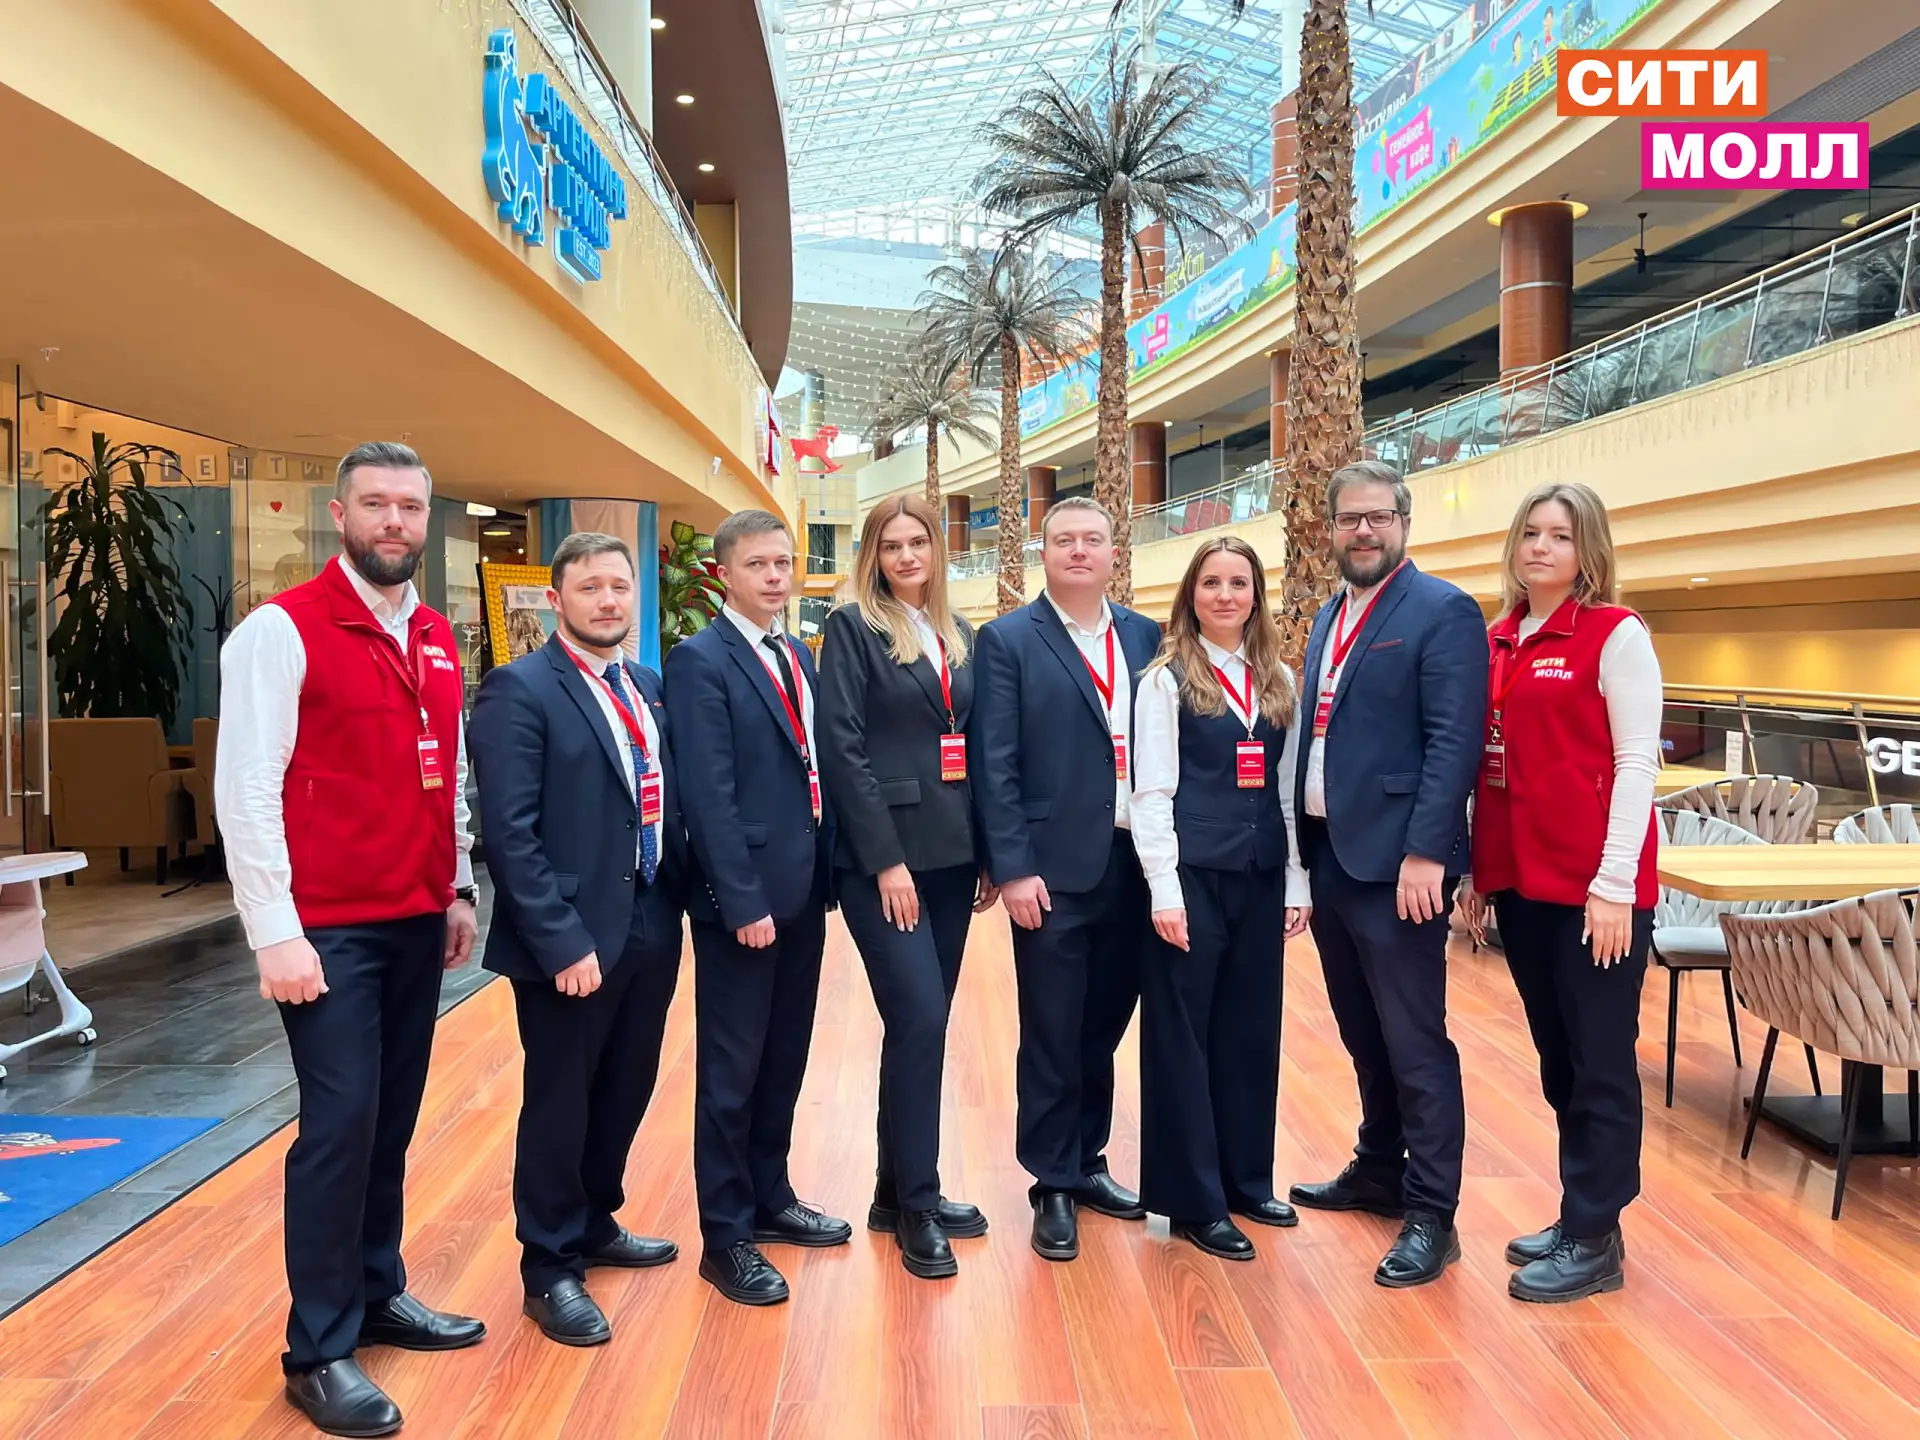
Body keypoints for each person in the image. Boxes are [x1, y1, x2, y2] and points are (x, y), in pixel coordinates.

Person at [215, 441, 484, 1438]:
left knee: (390, 1121)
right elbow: (245, 790)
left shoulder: (436, 636)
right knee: (339, 1127)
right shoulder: (280, 631)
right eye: (375, 504)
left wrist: (457, 885)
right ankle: (319, 1350)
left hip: (415, 917)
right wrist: (273, 932)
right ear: (339, 514)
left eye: (410, 507)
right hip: (326, 930)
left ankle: (377, 1292)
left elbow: (449, 772)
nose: (394, 523)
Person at [468, 532, 685, 1347]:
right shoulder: (518, 689)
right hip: (568, 934)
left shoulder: (647, 686)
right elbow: (509, 832)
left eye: (619, 586)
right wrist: (560, 941)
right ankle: (550, 1266)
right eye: (590, 587)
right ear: (556, 600)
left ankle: (595, 1219)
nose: (607, 600)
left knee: (627, 1083)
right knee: (561, 1099)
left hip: (649, 915)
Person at [1286, 459, 1488, 1289]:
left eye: (1378, 517)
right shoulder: (1328, 615)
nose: (1363, 531)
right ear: (1330, 530)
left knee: (1414, 1040)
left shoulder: (1442, 610)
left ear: (1404, 523)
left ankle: (1433, 1213)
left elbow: (1454, 741)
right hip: (1334, 858)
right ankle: (1378, 1167)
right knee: (1362, 1031)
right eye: (1349, 519)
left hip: (1401, 866)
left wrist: (1428, 852)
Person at [1458, 483, 1660, 1303]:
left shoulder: (1615, 634)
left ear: (1588, 552)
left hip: (1593, 893)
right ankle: (1584, 1211)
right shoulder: (1498, 639)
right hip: (1521, 883)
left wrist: (1613, 886)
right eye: (1531, 533)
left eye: (1561, 536)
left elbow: (1637, 764)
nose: (1541, 547)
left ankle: (1596, 1235)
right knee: (1560, 1059)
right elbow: (1487, 767)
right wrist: (1476, 871)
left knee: (1600, 1060)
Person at [664, 509, 848, 1306]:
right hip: (744, 901)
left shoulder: (796, 653)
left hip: (801, 889)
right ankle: (726, 1236)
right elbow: (707, 792)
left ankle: (771, 1195)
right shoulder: (699, 660)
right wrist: (739, 898)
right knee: (732, 1071)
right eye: (758, 565)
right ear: (725, 574)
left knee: (784, 1056)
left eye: (783, 563)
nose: (775, 577)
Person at [973, 496, 1161, 1262]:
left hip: (1134, 863)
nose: (1079, 551)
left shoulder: (1146, 636)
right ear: (1042, 554)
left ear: (1115, 553)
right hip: (1051, 868)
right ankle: (1051, 1181)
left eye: (1093, 540)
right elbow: (995, 762)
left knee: (1105, 1023)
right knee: (1053, 1026)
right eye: (1063, 540)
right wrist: (1013, 866)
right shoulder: (1008, 640)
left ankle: (1087, 1160)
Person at [818, 496, 996, 1280]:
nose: (906, 556)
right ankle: (920, 1205)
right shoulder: (852, 629)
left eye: (918, 541)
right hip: (884, 864)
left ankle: (897, 1190)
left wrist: (987, 852)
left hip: (954, 856)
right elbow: (843, 748)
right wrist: (885, 861)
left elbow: (976, 746)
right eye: (890, 546)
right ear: (872, 556)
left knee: (922, 1025)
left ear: (937, 549)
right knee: (920, 1016)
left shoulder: (960, 634)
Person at [1133, 536, 1310, 1260]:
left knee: (1249, 1030)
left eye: (1240, 583)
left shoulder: (1280, 679)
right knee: (1184, 1038)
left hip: (1260, 874)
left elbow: (1287, 792)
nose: (1226, 595)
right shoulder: (1165, 680)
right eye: (1212, 583)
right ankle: (1193, 1202)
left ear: (1257, 596)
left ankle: (1246, 1180)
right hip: (1192, 878)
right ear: (1192, 595)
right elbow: (1151, 793)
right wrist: (1163, 889)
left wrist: (1296, 879)